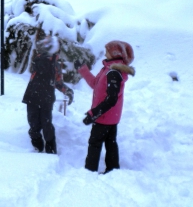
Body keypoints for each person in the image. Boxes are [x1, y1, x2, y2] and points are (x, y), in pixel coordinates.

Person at [77, 40, 135, 174]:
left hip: (104, 117)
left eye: (108, 50)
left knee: (95, 144)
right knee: (111, 144)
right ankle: (113, 171)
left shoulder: (113, 72)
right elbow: (94, 84)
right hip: (111, 117)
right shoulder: (109, 68)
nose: (105, 52)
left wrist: (93, 114)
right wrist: (83, 69)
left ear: (114, 53)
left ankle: (89, 173)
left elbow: (111, 99)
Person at [22, 35, 74, 154]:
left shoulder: (55, 64)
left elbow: (58, 82)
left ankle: (51, 151)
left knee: (47, 126)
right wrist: (47, 57)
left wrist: (68, 91)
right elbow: (39, 68)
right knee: (34, 125)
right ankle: (37, 148)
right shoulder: (39, 59)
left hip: (46, 98)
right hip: (33, 97)